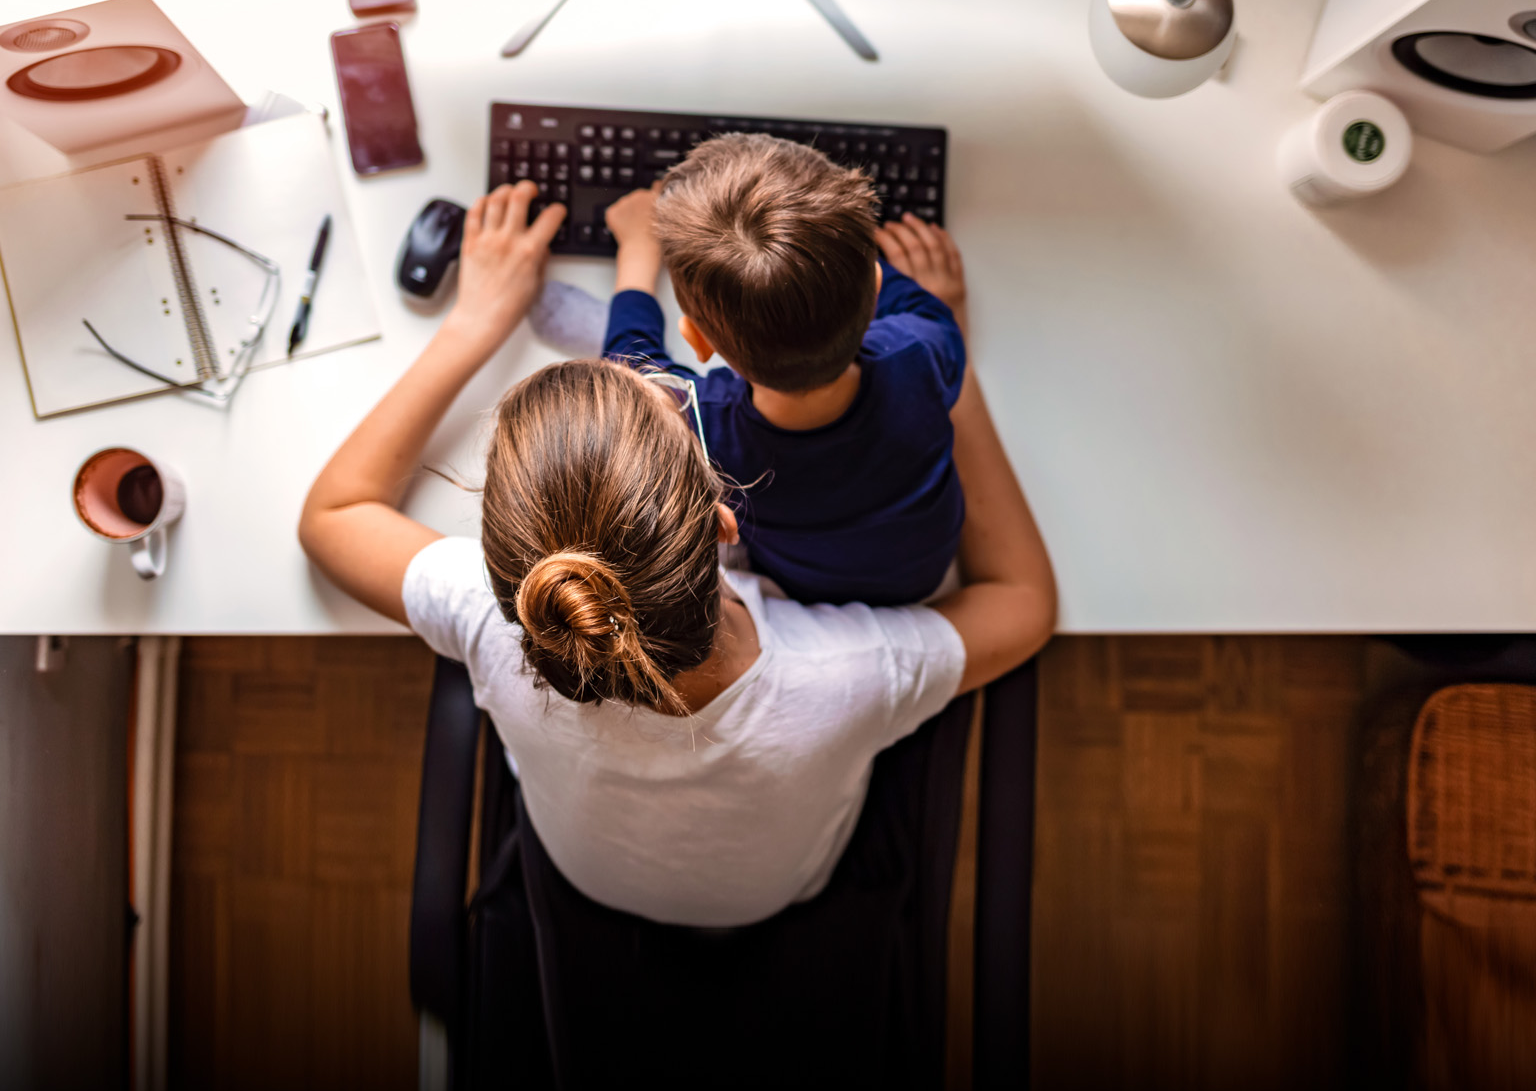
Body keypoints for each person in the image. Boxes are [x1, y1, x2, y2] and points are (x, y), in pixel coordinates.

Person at [298, 180, 1054, 927]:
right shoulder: (845, 675)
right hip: (782, 894)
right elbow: (1024, 602)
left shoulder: (507, 620)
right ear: (729, 525)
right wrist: (946, 373)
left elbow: (333, 516)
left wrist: (474, 321)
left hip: (583, 880)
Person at [602, 134, 965, 606]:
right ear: (876, 291)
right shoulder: (924, 345)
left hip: (804, 587)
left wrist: (635, 253)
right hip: (921, 574)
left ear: (696, 340)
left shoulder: (704, 428)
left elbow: (628, 370)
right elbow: (916, 306)